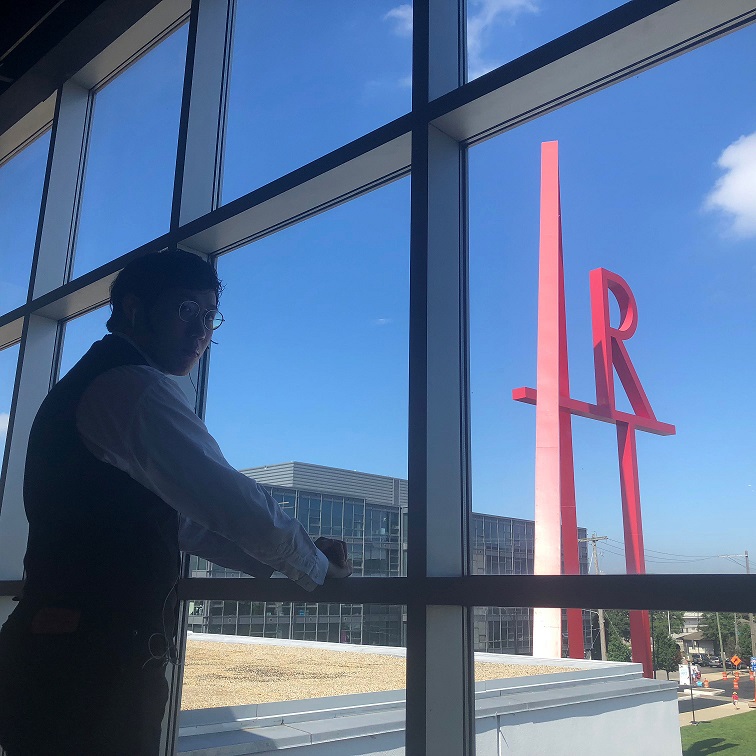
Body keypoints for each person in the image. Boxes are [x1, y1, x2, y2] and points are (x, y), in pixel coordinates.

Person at [0, 250, 351, 755]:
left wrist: (288, 560)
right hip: (89, 672)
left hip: (62, 657)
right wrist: (316, 568)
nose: (202, 330)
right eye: (188, 310)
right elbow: (230, 499)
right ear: (134, 309)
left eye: (210, 317)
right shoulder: (131, 387)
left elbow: (178, 521)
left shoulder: (94, 383)